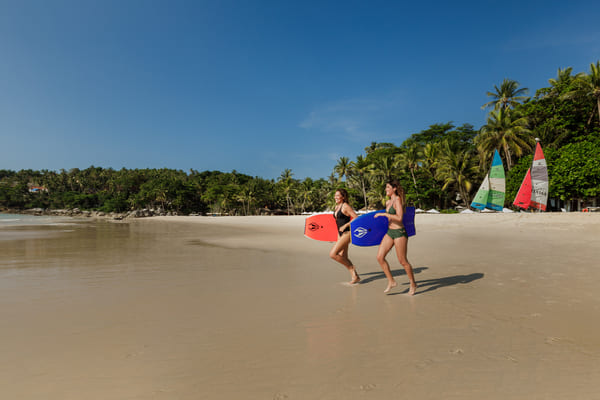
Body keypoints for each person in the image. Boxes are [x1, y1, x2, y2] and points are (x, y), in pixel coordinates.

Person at [374, 180, 417, 295]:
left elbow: (399, 218)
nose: (386, 189)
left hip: (399, 232)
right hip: (390, 232)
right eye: (386, 187)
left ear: (394, 189)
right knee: (380, 257)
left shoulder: (398, 200)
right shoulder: (388, 202)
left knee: (402, 261)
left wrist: (384, 214)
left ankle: (413, 283)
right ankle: (391, 281)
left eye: (388, 187)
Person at [329, 189, 360, 284]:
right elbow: (338, 222)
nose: (335, 197)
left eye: (338, 195)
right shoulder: (336, 207)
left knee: (333, 254)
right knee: (343, 256)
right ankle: (355, 277)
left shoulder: (345, 206)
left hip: (347, 233)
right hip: (340, 234)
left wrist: (346, 225)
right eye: (335, 195)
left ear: (343, 197)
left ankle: (351, 267)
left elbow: (356, 217)